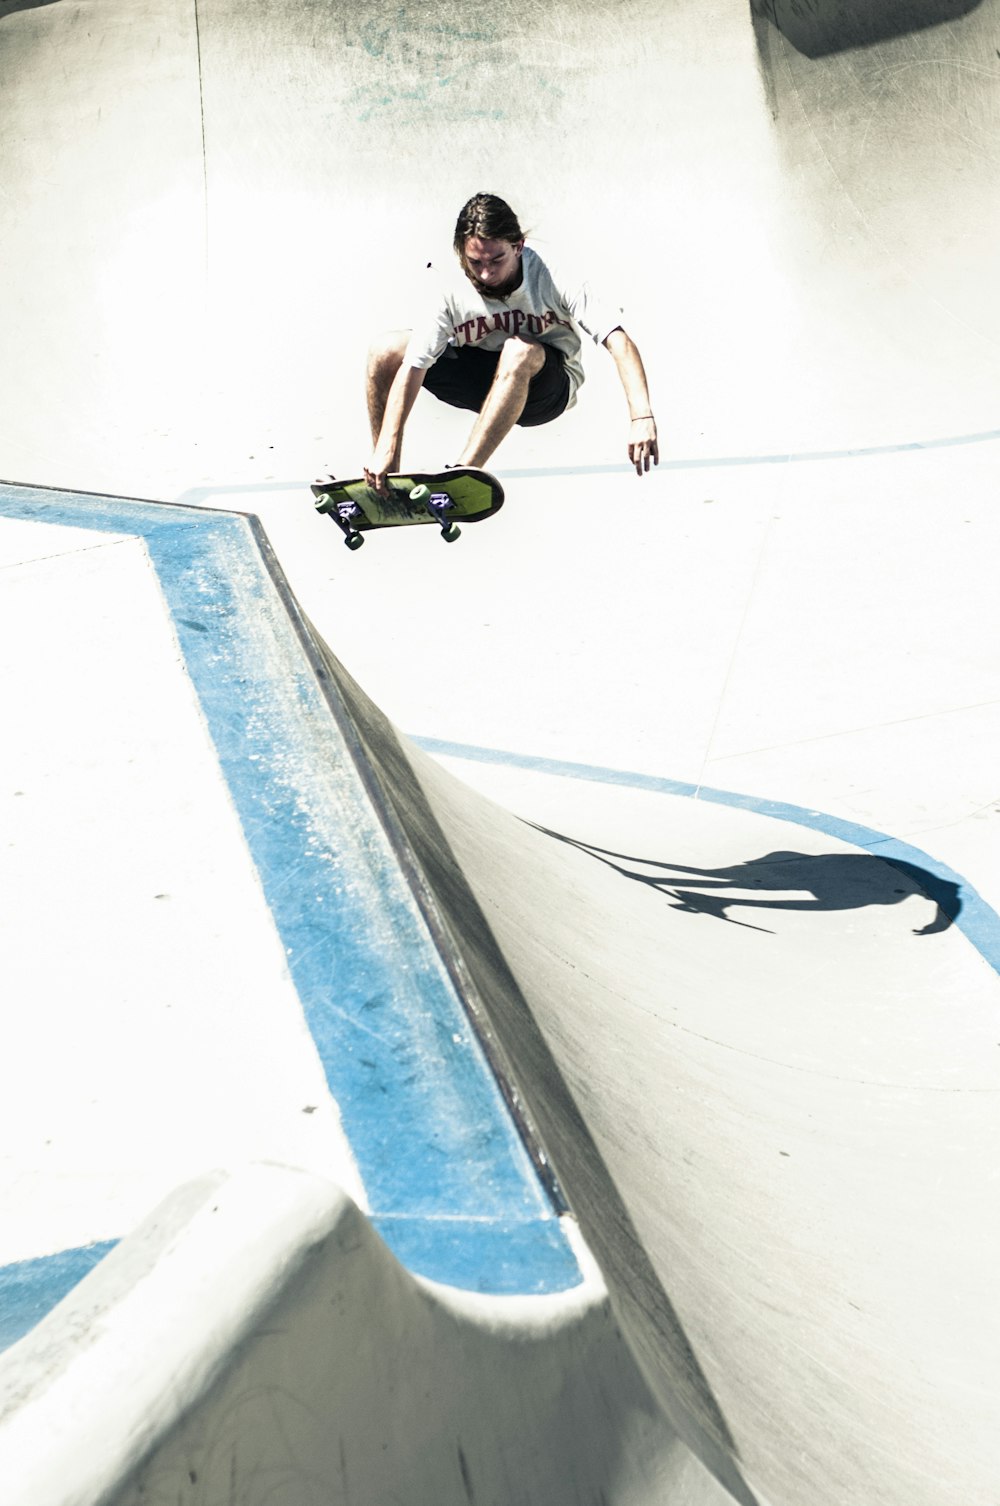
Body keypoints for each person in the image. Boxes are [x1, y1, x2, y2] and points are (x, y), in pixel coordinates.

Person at [364, 193, 659, 494]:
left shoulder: (553, 274)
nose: (486, 274)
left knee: (518, 349)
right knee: (386, 350)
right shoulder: (449, 287)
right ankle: (383, 478)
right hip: (482, 380)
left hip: (544, 391)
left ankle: (466, 475)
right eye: (475, 262)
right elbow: (414, 366)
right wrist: (386, 446)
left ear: (518, 246)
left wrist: (641, 416)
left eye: (496, 260)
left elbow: (619, 342)